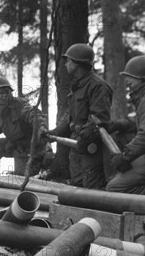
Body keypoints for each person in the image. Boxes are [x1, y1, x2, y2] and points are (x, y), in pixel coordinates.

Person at [46, 43, 112, 189]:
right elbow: (70, 114)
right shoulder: (78, 86)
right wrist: (55, 133)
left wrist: (84, 137)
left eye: (68, 61)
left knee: (92, 187)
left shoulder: (97, 86)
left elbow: (99, 119)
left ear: (78, 63)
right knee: (77, 184)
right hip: (77, 144)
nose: (65, 65)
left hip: (91, 146)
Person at [104, 55, 145, 194]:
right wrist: (118, 124)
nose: (127, 81)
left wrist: (124, 157)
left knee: (113, 188)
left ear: (142, 78)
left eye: (130, 77)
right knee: (123, 134)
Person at [0, 76, 48, 181]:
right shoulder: (1, 112)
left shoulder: (21, 105)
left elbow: (33, 115)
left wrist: (41, 127)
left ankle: (41, 166)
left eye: (4, 93)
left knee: (21, 177)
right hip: (14, 145)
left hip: (30, 149)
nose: (1, 97)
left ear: (9, 93)